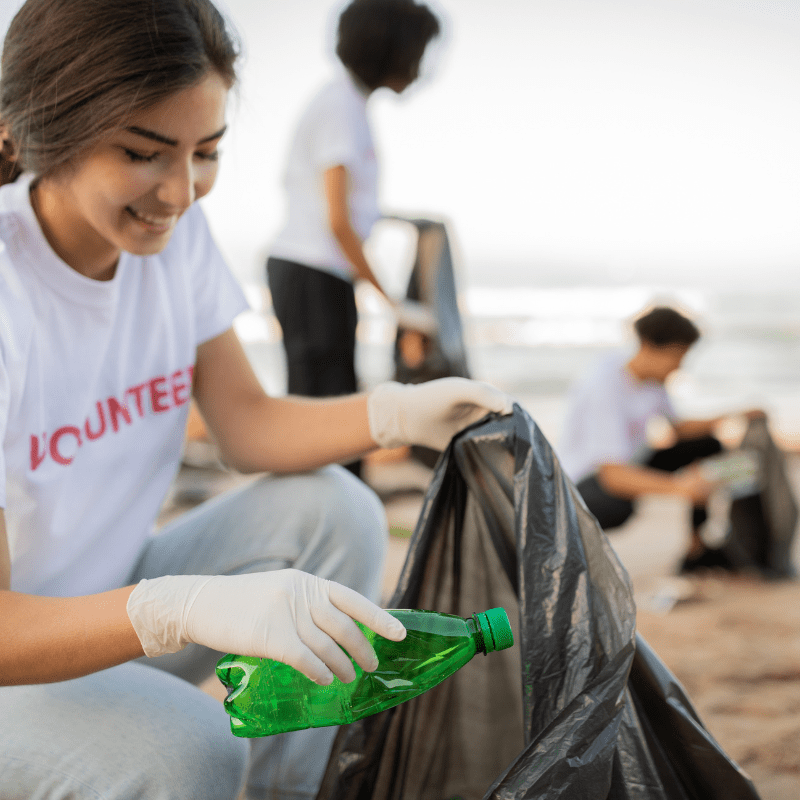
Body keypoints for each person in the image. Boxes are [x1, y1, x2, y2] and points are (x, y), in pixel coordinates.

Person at [0, 2, 513, 799]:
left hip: (111, 600)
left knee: (333, 507)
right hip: (17, 660)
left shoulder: (170, 241)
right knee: (189, 749)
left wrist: (397, 413)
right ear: (41, 133)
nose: (179, 191)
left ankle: (292, 792)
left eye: (206, 152)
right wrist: (178, 608)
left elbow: (248, 425)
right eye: (143, 152)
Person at [266, 0, 441, 477]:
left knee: (333, 404)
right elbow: (338, 221)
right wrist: (394, 303)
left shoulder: (348, 103)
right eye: (417, 52)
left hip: (320, 271)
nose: (421, 67)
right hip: (312, 271)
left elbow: (350, 211)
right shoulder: (341, 107)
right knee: (327, 417)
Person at [557, 305, 765, 573]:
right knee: (618, 504)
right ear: (649, 346)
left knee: (710, 446)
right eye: (677, 356)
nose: (680, 366)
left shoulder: (652, 379)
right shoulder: (604, 387)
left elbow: (678, 429)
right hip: (584, 484)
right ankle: (568, 555)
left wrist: (737, 414)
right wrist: (682, 487)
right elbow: (612, 476)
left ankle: (698, 548)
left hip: (630, 462)